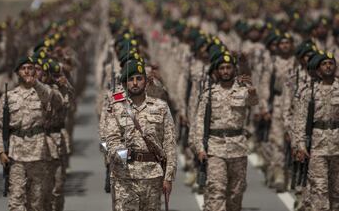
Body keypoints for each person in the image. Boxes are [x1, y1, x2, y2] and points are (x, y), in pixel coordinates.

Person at [104, 59, 177, 211]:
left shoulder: (160, 107)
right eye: (131, 79)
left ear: (146, 81)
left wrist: (168, 177)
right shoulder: (116, 107)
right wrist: (122, 154)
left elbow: (169, 144)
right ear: (125, 83)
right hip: (124, 177)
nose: (135, 83)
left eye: (139, 78)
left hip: (152, 176)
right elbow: (111, 139)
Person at [0, 56, 61, 211]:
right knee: (16, 201)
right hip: (16, 154)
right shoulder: (9, 97)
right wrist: (1, 151)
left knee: (36, 202)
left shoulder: (42, 91)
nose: (27, 71)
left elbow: (55, 100)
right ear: (18, 73)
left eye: (30, 68)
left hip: (38, 152)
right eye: (23, 68)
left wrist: (36, 83)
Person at [193, 53, 258, 211]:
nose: (225, 71)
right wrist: (200, 148)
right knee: (216, 189)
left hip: (238, 147)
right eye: (222, 68)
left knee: (236, 191)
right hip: (215, 147)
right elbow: (199, 122)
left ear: (234, 70)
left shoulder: (243, 91)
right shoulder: (209, 94)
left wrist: (251, 89)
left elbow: (253, 101)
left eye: (228, 67)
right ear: (216, 72)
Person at [294, 51, 339, 211]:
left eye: (331, 63)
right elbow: (300, 120)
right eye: (324, 64)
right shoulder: (309, 91)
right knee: (319, 189)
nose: (328, 66)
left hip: (337, 144)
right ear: (318, 69)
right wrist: (299, 145)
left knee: (336, 191)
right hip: (317, 146)